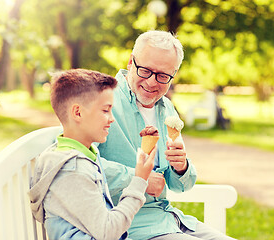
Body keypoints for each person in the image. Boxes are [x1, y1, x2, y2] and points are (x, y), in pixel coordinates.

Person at [98, 30, 236, 240]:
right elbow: (80, 165)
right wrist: (138, 179)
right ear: (130, 62)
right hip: (129, 226)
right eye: (145, 70)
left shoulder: (167, 108)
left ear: (174, 75)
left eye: (163, 75)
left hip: (170, 219)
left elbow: (180, 185)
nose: (152, 82)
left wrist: (181, 167)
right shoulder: (102, 102)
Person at [28, 69, 156, 240]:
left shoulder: (85, 154)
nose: (112, 119)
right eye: (105, 110)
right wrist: (140, 181)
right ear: (78, 113)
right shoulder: (72, 169)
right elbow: (107, 232)